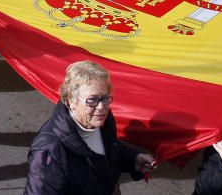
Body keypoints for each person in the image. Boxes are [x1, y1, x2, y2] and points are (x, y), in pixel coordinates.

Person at [25, 61, 154, 195]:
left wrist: (133, 159)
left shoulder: (101, 119)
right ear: (70, 100)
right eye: (92, 100)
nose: (101, 107)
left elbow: (108, 150)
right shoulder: (48, 151)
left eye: (105, 98)